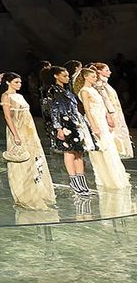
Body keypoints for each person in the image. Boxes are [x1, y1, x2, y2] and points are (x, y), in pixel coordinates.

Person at [0, 72, 54, 210]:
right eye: (15, 82)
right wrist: (15, 135)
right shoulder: (6, 96)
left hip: (29, 131)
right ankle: (24, 193)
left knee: (34, 159)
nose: (19, 85)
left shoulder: (19, 96)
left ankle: (38, 190)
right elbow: (8, 117)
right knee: (22, 161)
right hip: (18, 130)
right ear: (8, 83)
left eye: (20, 82)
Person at [43, 64, 97, 196]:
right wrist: (58, 128)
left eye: (67, 75)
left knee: (79, 153)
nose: (67, 78)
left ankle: (82, 184)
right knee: (69, 152)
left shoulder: (67, 90)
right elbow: (53, 110)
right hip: (65, 124)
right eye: (64, 75)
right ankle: (74, 182)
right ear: (56, 76)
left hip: (75, 123)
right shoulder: (52, 91)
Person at [75, 66, 129, 190]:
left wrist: (107, 119)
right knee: (101, 149)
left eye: (95, 76)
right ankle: (106, 178)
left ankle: (115, 177)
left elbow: (102, 106)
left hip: (102, 121)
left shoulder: (93, 90)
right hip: (95, 121)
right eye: (93, 76)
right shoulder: (84, 91)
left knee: (109, 148)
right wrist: (94, 127)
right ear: (85, 77)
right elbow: (87, 110)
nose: (95, 78)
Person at [92, 62, 132, 158]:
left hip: (115, 112)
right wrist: (108, 114)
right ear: (99, 71)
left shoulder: (105, 83)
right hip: (109, 113)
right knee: (113, 134)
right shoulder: (99, 84)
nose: (109, 72)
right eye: (106, 70)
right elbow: (104, 101)